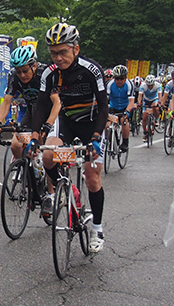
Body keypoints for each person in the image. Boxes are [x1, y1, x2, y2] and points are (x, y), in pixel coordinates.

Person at [32, 23, 108, 253]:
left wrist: (96, 136)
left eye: (63, 52)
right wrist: (35, 137)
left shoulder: (91, 70)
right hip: (66, 124)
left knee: (92, 176)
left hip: (91, 124)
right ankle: (68, 190)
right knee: (47, 156)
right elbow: (42, 105)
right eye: (53, 53)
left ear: (75, 49)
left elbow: (104, 106)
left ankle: (97, 227)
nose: (58, 57)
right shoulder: (49, 72)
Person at [0, 44, 48, 161]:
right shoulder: (14, 76)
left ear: (34, 65)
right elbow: (7, 101)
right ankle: (23, 171)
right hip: (31, 111)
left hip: (49, 112)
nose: (22, 75)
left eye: (25, 70)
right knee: (15, 145)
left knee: (44, 149)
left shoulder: (44, 73)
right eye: (18, 72)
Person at [106, 65, 134, 152]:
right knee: (106, 125)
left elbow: (131, 102)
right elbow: (105, 100)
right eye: (117, 79)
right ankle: (110, 140)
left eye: (122, 79)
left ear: (125, 78)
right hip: (113, 107)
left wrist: (127, 111)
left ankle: (125, 143)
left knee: (123, 121)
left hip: (125, 107)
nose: (119, 81)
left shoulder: (129, 85)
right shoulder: (109, 85)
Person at [136, 74, 161, 140]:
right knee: (144, 118)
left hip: (154, 99)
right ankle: (145, 132)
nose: (150, 86)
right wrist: (139, 103)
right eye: (148, 85)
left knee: (155, 107)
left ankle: (156, 119)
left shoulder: (158, 85)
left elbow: (160, 95)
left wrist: (159, 103)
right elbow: (140, 95)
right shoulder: (143, 86)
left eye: (151, 85)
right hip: (146, 100)